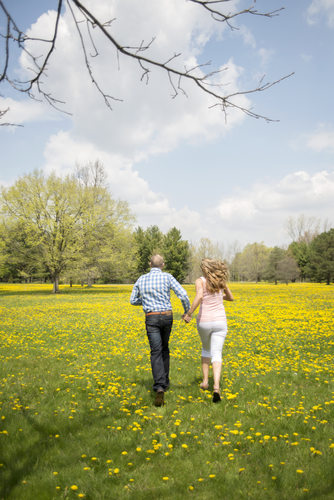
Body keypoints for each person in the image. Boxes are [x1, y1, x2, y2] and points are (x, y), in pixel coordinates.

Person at [130, 254, 190, 407]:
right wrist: (187, 312)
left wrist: (145, 300)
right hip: (166, 316)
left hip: (151, 317)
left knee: (155, 351)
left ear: (150, 264)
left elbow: (132, 300)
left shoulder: (141, 279)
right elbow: (183, 294)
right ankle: (165, 382)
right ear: (163, 265)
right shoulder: (168, 277)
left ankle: (159, 386)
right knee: (164, 349)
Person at [183, 258, 234, 403]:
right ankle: (216, 387)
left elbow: (199, 296)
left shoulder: (200, 281)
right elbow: (231, 298)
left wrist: (189, 313)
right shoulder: (221, 281)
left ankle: (205, 382)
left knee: (206, 349)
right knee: (217, 353)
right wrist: (219, 296)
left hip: (205, 321)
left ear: (203, 269)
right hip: (220, 322)